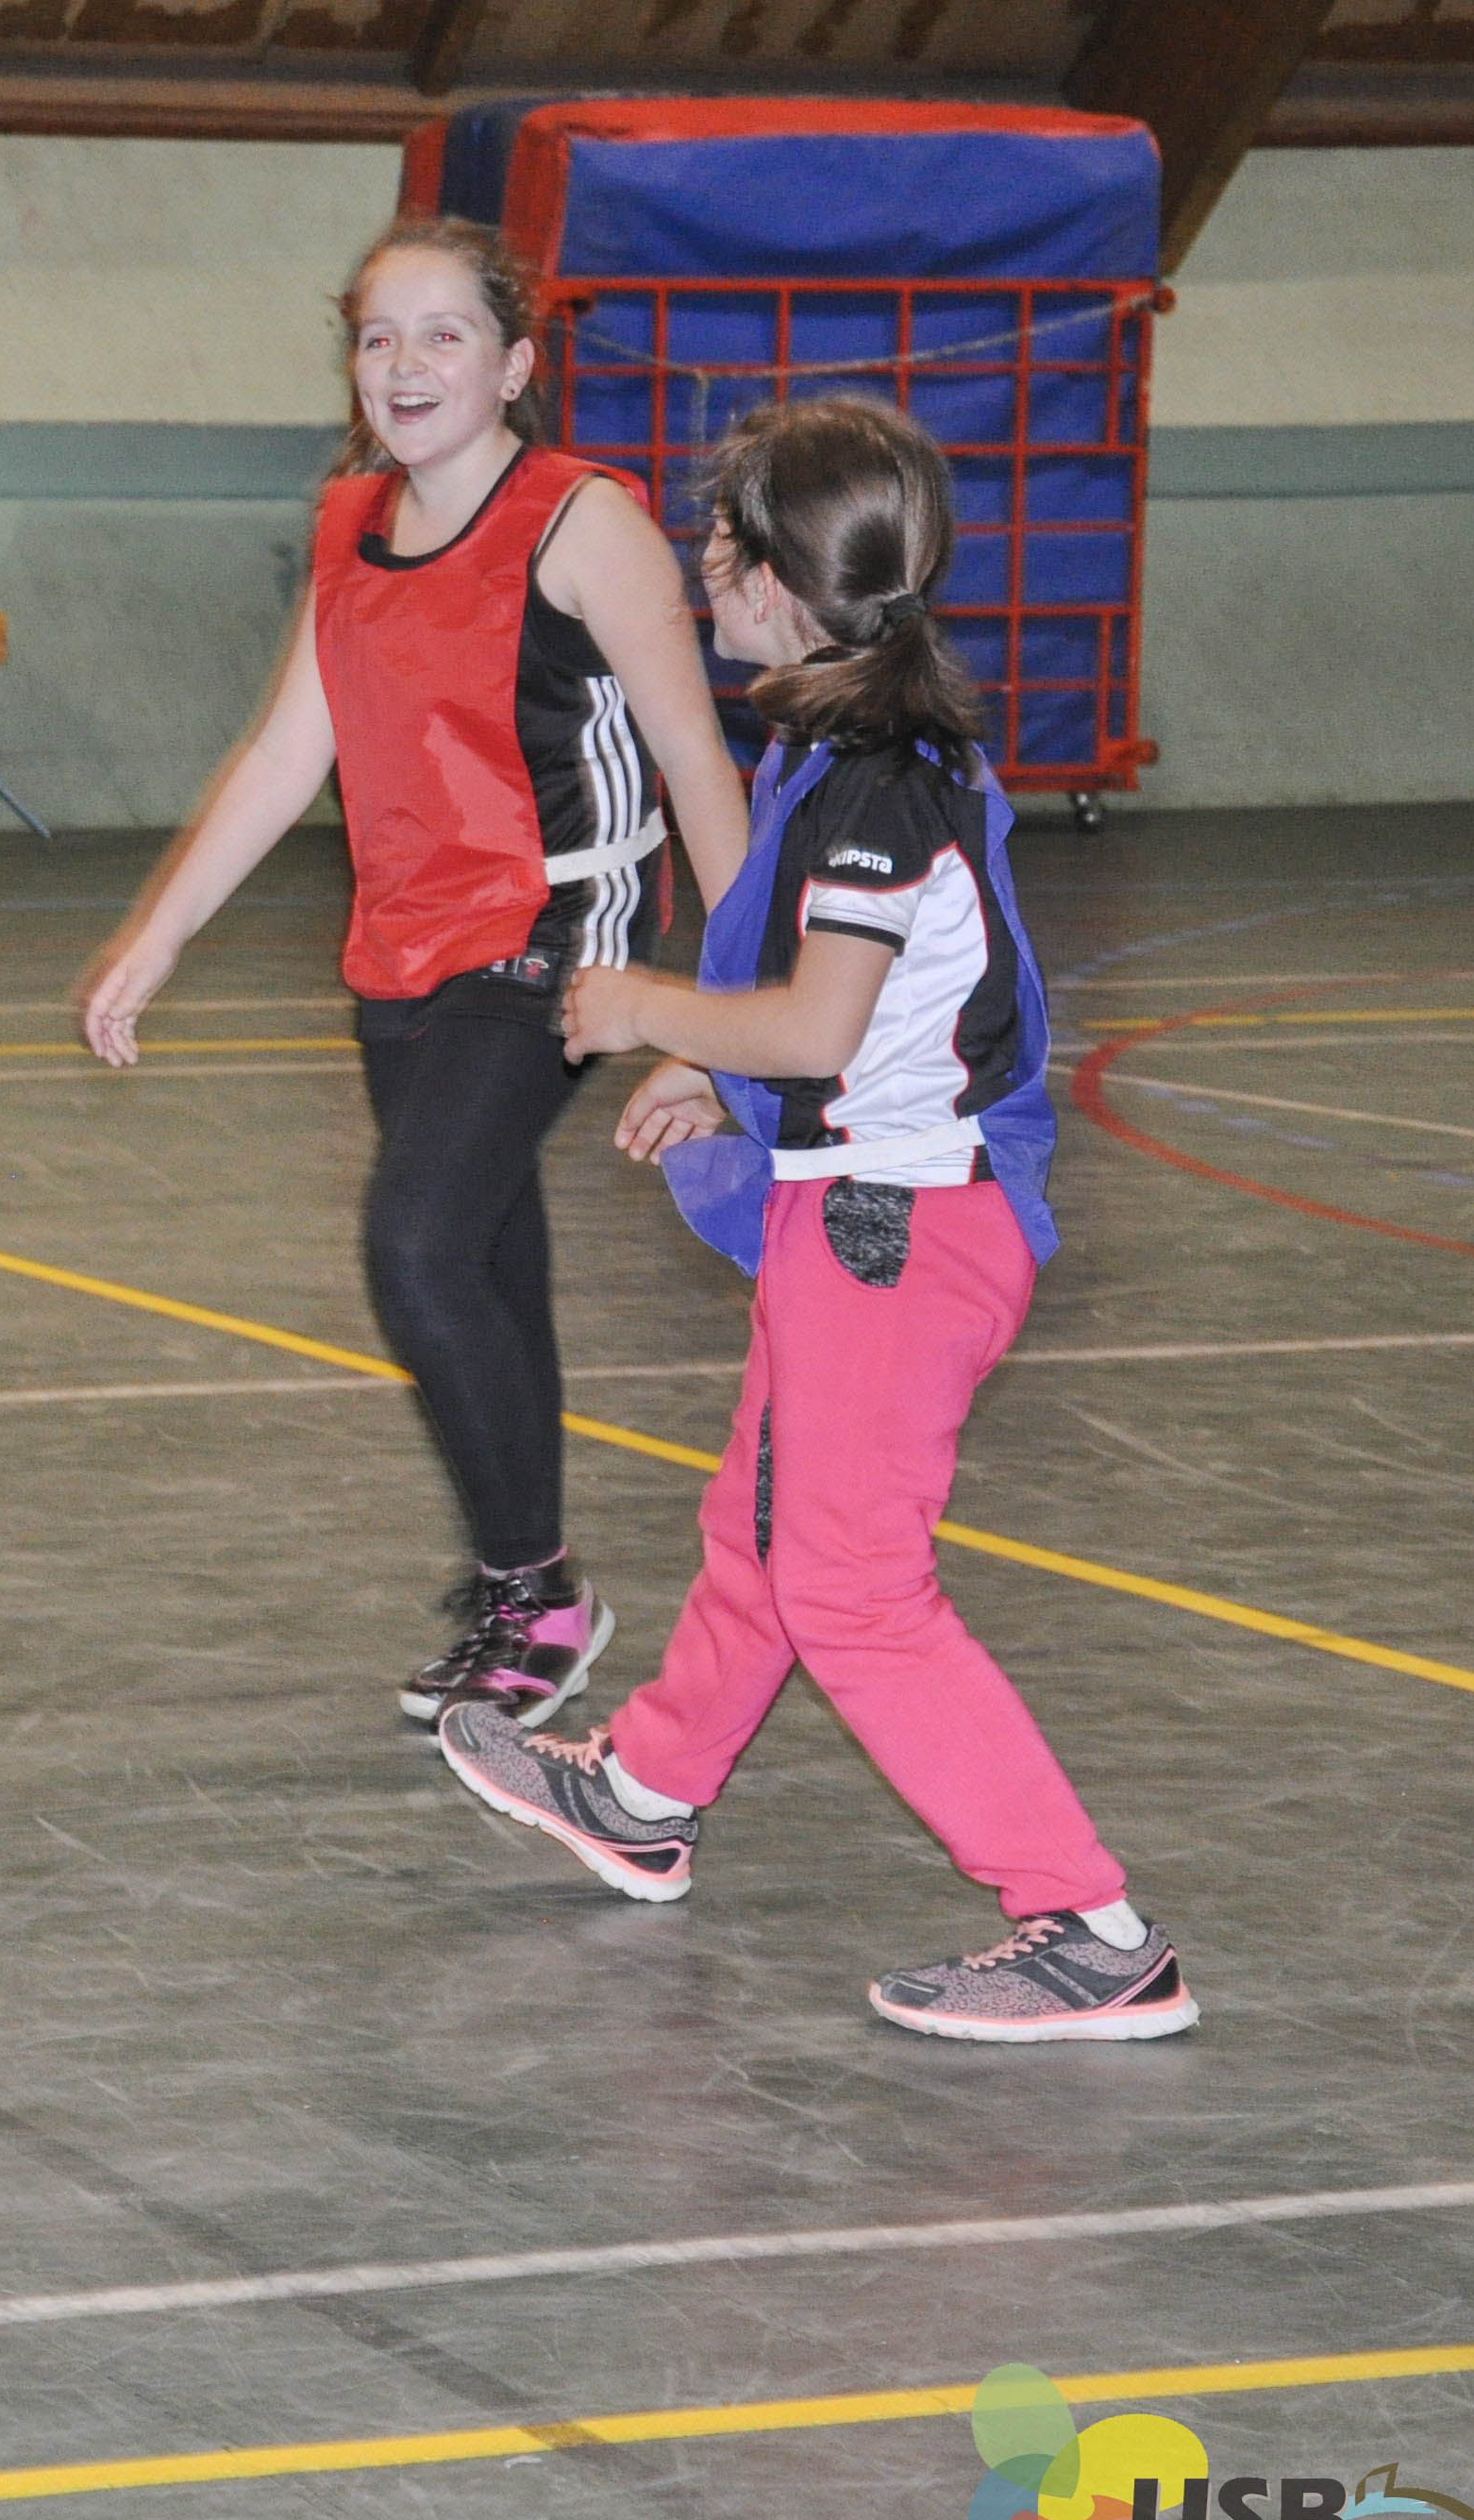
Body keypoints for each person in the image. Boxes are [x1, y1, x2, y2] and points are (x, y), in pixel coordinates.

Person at [438, 393, 1196, 2044]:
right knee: (768, 1526)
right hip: (862, 1199)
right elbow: (894, 1019)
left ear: (781, 583)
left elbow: (819, 1026)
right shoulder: (845, 742)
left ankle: (1089, 1927)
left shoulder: (874, 786)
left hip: (903, 1233)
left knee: (851, 1581)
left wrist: (647, 1007)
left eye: (723, 543)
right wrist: (724, 1084)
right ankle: (646, 1791)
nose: (701, 565)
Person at [78, 218, 748, 1730]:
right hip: (403, 939)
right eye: (379, 336)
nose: (404, 364)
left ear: (514, 366)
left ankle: (536, 1587)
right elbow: (288, 751)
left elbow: (698, 761)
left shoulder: (583, 525)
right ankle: (535, 1579)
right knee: (484, 1249)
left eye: (445, 334)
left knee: (417, 1243)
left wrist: (723, 1017)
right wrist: (159, 934)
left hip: (557, 929)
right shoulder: (349, 525)